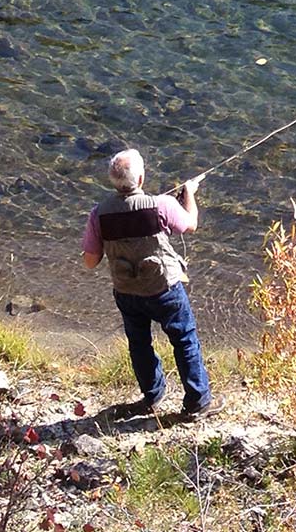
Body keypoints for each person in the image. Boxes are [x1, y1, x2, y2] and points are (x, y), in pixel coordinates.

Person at [82, 149, 219, 420]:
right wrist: (189, 193)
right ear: (141, 178)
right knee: (184, 340)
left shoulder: (98, 215)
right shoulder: (161, 206)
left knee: (139, 344)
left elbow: (90, 261)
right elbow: (190, 224)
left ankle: (152, 396)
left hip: (126, 291)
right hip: (164, 288)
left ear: (113, 181)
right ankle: (197, 402)